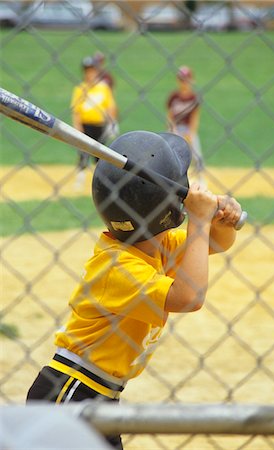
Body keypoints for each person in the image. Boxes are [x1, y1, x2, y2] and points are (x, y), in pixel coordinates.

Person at [26, 131, 243, 449]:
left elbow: (215, 243)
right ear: (169, 208)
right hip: (71, 391)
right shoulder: (117, 267)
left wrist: (219, 219)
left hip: (97, 394)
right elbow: (189, 297)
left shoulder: (158, 245)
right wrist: (198, 219)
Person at [71, 56, 117, 190]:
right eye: (87, 71)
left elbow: (110, 107)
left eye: (92, 70)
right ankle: (80, 180)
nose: (89, 73)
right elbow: (76, 110)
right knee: (83, 153)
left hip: (100, 125)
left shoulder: (103, 88)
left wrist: (112, 123)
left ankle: (101, 182)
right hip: (86, 125)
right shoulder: (80, 88)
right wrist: (77, 126)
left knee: (100, 155)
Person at [167, 65, 205, 184]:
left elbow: (195, 117)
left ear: (191, 81)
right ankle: (171, 180)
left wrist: (191, 134)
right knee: (169, 155)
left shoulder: (194, 97)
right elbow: (170, 116)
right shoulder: (174, 96)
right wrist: (172, 130)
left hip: (188, 129)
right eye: (181, 79)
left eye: (186, 80)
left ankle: (200, 180)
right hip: (176, 129)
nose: (183, 82)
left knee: (197, 156)